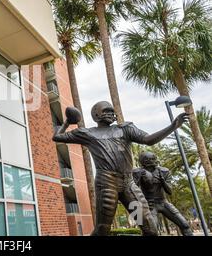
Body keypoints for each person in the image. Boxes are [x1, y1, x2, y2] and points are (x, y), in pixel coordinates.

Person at [53, 101, 189, 236]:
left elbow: (148, 140)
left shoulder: (125, 129)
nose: (111, 113)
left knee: (149, 228)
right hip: (107, 184)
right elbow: (57, 136)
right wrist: (67, 122)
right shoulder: (87, 133)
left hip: (128, 185)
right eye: (106, 110)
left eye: (112, 111)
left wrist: (172, 126)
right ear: (95, 114)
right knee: (102, 230)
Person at [133, 152, 193, 236]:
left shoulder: (163, 171)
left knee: (185, 225)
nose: (150, 164)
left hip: (163, 202)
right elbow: (133, 189)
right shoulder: (137, 172)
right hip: (149, 204)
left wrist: (163, 181)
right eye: (147, 161)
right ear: (142, 162)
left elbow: (170, 191)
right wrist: (139, 178)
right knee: (152, 232)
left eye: (151, 160)